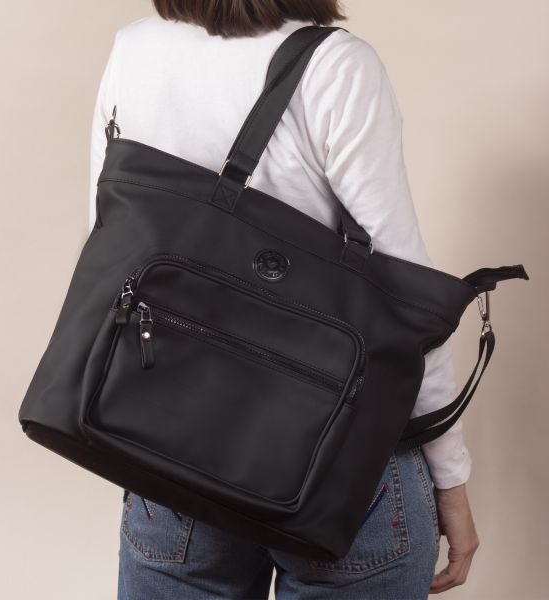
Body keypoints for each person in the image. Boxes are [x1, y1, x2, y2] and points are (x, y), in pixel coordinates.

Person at [88, 2, 479, 598]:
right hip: (337, 460)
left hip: (171, 443)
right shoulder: (337, 64)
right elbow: (401, 297)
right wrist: (451, 477)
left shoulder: (135, 47)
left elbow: (109, 239)